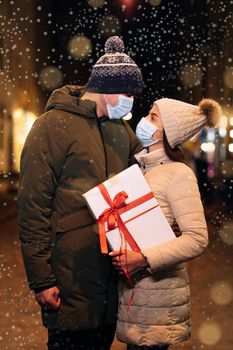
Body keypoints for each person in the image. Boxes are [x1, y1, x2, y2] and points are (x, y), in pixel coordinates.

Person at [17, 36, 144, 350]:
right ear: (105, 87)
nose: (131, 101)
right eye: (127, 93)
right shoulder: (51, 126)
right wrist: (42, 279)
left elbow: (148, 168)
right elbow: (33, 206)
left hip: (110, 272)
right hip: (69, 273)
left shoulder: (120, 130)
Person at [110, 98, 222, 349]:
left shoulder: (178, 174)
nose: (144, 121)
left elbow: (197, 238)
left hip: (158, 300)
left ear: (167, 132)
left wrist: (144, 259)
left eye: (153, 117)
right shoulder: (143, 169)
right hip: (138, 294)